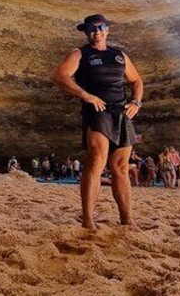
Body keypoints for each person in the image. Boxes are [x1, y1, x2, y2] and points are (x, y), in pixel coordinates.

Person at [54, 13, 143, 230]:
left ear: (107, 29)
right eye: (92, 29)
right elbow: (61, 76)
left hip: (122, 113)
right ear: (86, 32)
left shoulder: (119, 55)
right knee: (97, 162)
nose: (97, 32)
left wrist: (136, 102)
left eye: (101, 27)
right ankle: (88, 220)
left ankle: (127, 219)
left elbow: (137, 80)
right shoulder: (80, 54)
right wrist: (86, 96)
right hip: (98, 112)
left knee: (121, 167)